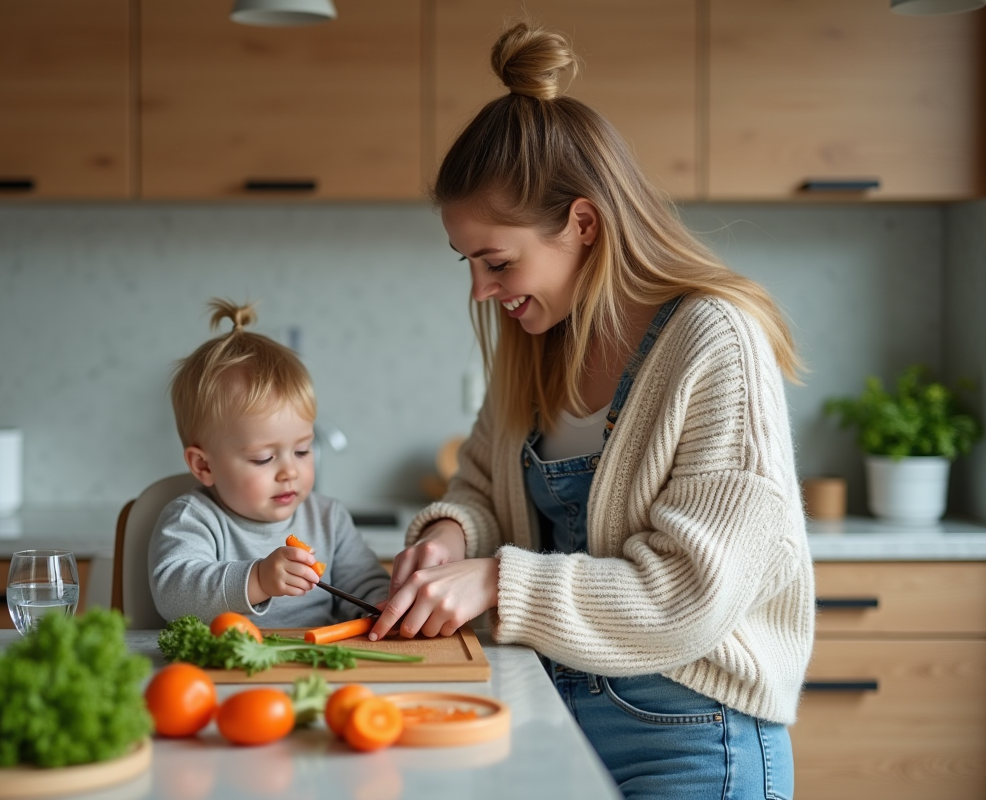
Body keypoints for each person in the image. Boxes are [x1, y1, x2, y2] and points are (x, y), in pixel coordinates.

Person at [368, 22, 815, 800]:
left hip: (691, 735)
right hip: (548, 709)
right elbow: (481, 489)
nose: (480, 290)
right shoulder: (537, 343)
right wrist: (449, 538)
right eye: (468, 262)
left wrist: (496, 583)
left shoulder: (716, 340)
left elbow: (690, 592)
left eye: (496, 261)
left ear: (582, 224)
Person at [149, 299, 390, 628]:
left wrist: (384, 606)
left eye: (302, 451)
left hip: (315, 656)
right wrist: (258, 579)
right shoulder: (194, 519)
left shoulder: (328, 519)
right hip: (225, 659)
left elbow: (365, 585)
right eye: (263, 458)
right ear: (204, 466)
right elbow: (174, 594)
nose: (290, 472)